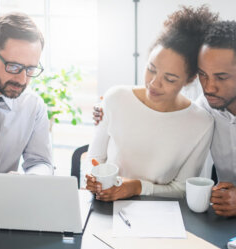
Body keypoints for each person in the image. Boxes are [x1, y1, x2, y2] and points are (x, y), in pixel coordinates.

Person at [86, 6, 218, 201]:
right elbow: (94, 159)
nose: (154, 83)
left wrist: (138, 187)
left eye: (170, 79)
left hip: (163, 215)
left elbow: (182, 188)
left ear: (189, 80)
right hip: (107, 207)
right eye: (151, 69)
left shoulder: (201, 123)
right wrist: (94, 178)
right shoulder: (115, 98)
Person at [0, 13, 53, 175]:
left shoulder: (33, 106)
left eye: (30, 69)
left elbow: (41, 162)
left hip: (6, 199)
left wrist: (30, 178)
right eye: (13, 67)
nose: (22, 79)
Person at [197, 21, 236, 217]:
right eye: (203, 75)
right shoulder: (205, 108)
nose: (209, 88)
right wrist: (107, 110)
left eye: (221, 77)